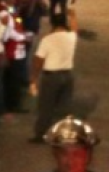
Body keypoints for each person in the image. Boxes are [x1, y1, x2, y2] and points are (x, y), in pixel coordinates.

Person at [29, 12, 78, 143]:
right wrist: (73, 16)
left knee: (46, 107)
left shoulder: (47, 40)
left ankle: (41, 134)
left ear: (53, 24)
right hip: (68, 75)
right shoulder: (71, 37)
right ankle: (62, 134)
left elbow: (38, 60)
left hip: (51, 77)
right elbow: (74, 28)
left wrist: (33, 79)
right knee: (64, 107)